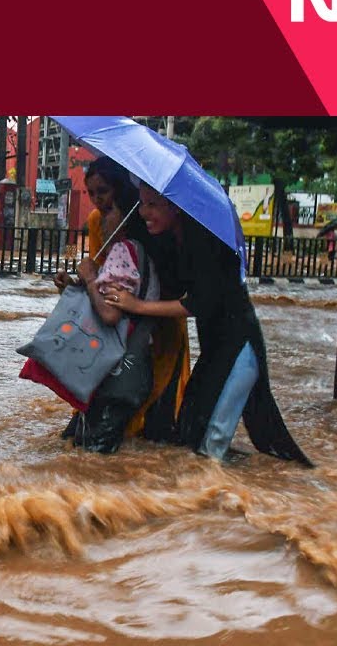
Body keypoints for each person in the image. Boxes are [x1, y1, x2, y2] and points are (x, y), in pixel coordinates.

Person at [102, 183, 312, 466]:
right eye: (141, 203)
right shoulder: (174, 239)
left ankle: (236, 502)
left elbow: (198, 304)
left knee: (211, 443)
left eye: (152, 204)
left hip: (239, 347)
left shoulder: (205, 239)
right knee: (191, 429)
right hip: (214, 347)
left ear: (175, 205)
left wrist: (137, 306)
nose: (143, 212)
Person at [77, 158, 191, 442]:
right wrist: (81, 281)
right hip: (118, 336)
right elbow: (106, 280)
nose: (97, 200)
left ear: (120, 190)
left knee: (154, 415)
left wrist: (97, 281)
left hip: (153, 329)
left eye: (102, 191)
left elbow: (111, 296)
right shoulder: (99, 223)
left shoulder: (149, 227)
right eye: (90, 193)